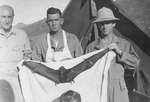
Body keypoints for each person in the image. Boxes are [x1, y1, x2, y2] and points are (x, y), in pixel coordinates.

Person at [85, 7, 140, 102]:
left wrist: (120, 52)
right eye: (101, 23)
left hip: (118, 90)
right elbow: (85, 71)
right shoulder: (91, 47)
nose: (104, 26)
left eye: (108, 22)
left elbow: (136, 64)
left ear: (114, 24)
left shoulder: (124, 44)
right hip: (98, 89)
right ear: (98, 25)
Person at [0, 5, 31, 102]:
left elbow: (28, 54)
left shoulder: (21, 35)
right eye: (3, 17)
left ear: (13, 17)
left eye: (9, 17)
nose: (7, 21)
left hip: (17, 81)